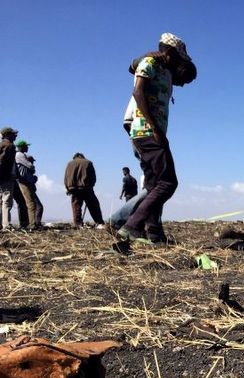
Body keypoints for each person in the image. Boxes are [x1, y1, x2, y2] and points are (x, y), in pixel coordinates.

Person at [118, 32, 195, 244]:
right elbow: (138, 92)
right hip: (146, 132)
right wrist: (155, 129)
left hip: (150, 132)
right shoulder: (150, 62)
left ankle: (154, 233)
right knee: (168, 182)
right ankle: (130, 226)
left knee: (153, 185)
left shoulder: (165, 70)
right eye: (179, 59)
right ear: (170, 52)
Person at [64, 153, 104, 228]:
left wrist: (68, 188)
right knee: (93, 205)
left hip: (73, 188)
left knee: (76, 206)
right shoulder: (88, 162)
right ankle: (99, 222)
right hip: (86, 188)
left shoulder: (70, 163)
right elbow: (93, 177)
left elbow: (66, 177)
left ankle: (78, 224)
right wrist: (91, 185)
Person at [14, 140, 43, 229]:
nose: (27, 147)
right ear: (21, 147)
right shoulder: (20, 155)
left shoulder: (20, 155)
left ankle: (32, 224)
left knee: (32, 204)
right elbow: (31, 166)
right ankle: (32, 224)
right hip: (24, 182)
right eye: (26, 146)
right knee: (31, 204)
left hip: (25, 181)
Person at [0, 127, 18, 231]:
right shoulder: (10, 146)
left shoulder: (2, 145)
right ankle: (6, 225)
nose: (15, 136)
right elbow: (2, 162)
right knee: (7, 201)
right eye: (13, 134)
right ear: (7, 135)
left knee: (1, 202)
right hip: (5, 177)